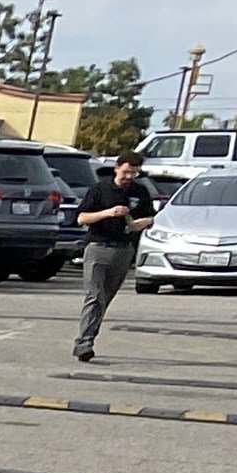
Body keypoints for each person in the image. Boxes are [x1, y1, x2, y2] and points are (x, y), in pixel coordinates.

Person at [71, 152, 160, 364]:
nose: (130, 176)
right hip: (98, 247)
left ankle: (88, 337)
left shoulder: (140, 191)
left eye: (134, 173)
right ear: (117, 168)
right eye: (127, 171)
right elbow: (82, 218)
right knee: (94, 296)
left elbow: (151, 217)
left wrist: (143, 223)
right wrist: (108, 213)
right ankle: (84, 344)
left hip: (123, 250)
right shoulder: (100, 189)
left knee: (104, 299)